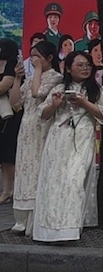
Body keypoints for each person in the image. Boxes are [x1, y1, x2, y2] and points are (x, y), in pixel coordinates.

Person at [32, 50, 103, 242]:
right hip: (58, 139)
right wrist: (54, 104)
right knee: (54, 182)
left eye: (87, 65)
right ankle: (49, 229)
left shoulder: (98, 90)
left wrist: (85, 103)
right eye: (80, 65)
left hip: (82, 139)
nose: (85, 69)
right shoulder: (59, 88)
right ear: (68, 68)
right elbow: (42, 114)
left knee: (74, 181)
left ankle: (70, 229)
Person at [11, 40, 62, 233]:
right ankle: (21, 218)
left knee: (36, 168)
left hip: (42, 127)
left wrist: (38, 71)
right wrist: (18, 79)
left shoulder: (55, 77)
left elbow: (37, 93)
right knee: (24, 167)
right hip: (26, 128)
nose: (33, 60)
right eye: (31, 56)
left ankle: (34, 217)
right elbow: (16, 102)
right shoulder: (32, 77)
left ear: (49, 58)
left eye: (37, 56)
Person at [0, 39, 24, 205]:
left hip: (11, 115)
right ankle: (7, 189)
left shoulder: (13, 64)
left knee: (9, 154)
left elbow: (3, 87)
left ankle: (10, 190)